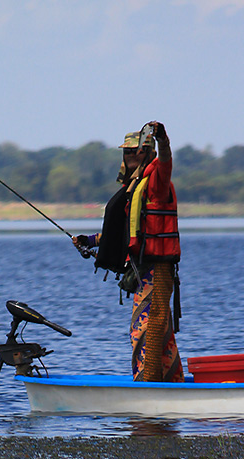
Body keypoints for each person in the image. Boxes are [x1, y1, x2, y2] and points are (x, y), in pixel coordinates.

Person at [73, 123, 184, 383]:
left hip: (157, 270)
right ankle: (170, 384)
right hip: (141, 272)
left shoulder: (156, 180)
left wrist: (163, 139)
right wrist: (88, 240)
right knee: (160, 331)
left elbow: (166, 160)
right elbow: (126, 232)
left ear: (148, 152)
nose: (130, 157)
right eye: (126, 153)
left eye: (136, 152)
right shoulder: (133, 188)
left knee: (146, 330)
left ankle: (148, 387)